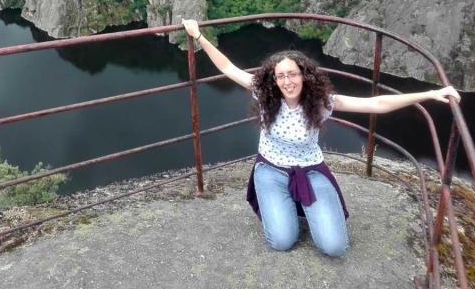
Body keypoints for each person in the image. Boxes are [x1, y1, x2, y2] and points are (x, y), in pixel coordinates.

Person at [181, 18, 460, 257]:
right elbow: (228, 68)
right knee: (281, 241)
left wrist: (431, 94)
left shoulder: (322, 102)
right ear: (273, 80)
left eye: (293, 74)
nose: (287, 81)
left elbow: (377, 104)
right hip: (270, 170)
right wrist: (199, 36)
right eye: (281, 76)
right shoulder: (265, 94)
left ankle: (299, 203)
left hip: (310, 171)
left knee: (335, 247)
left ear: (304, 76)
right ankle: (286, 204)